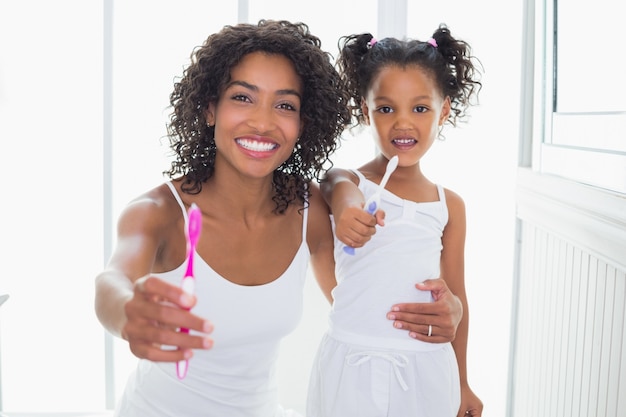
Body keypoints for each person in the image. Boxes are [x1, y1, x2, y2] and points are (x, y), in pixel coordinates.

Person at [94, 20, 463, 417]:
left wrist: (449, 312)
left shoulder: (308, 209)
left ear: (303, 124)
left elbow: (363, 299)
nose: (264, 122)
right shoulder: (159, 212)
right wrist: (127, 311)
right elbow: (111, 282)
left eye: (285, 105)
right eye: (242, 97)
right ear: (209, 108)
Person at [307, 25, 484, 417]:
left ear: (445, 111)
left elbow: (457, 299)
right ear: (365, 111)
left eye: (420, 108)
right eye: (386, 109)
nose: (403, 123)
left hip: (426, 370)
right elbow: (336, 184)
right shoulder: (349, 182)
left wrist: (463, 383)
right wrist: (350, 209)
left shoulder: (449, 205)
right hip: (350, 365)